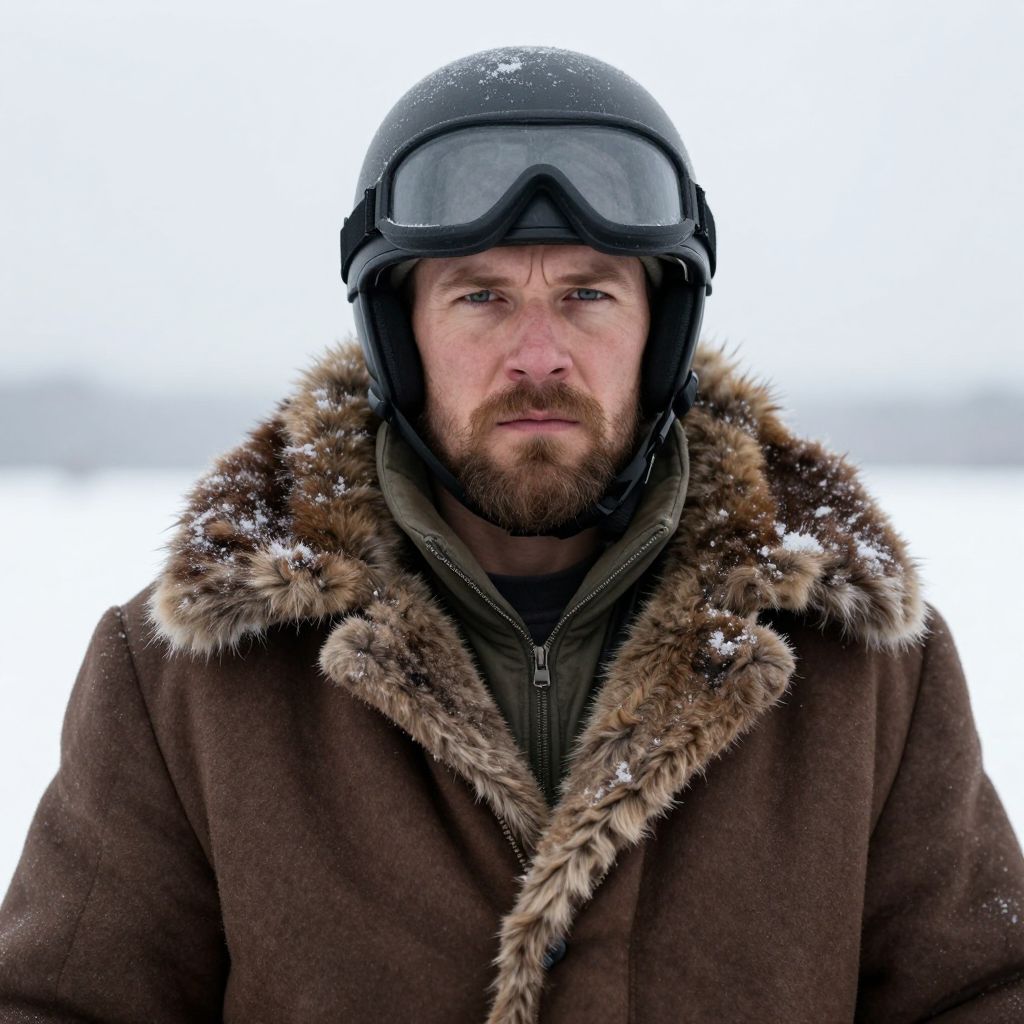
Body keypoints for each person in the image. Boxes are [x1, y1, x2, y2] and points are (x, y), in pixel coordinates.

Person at [1, 45, 1022, 1024]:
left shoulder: (868, 678)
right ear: (398, 337)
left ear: (659, 333)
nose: (540, 356)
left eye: (587, 294)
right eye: (480, 296)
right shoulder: (186, 682)